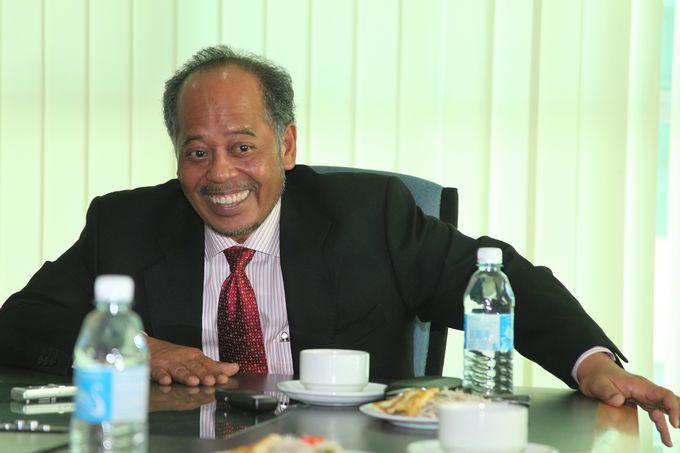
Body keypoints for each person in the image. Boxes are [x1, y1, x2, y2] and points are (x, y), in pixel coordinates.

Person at [0, 45, 678, 446]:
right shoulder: (127, 223)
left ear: (287, 145)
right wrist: (142, 348)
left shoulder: (368, 216)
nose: (220, 175)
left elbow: (491, 276)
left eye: (243, 147)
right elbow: (21, 321)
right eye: (196, 151)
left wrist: (591, 360)